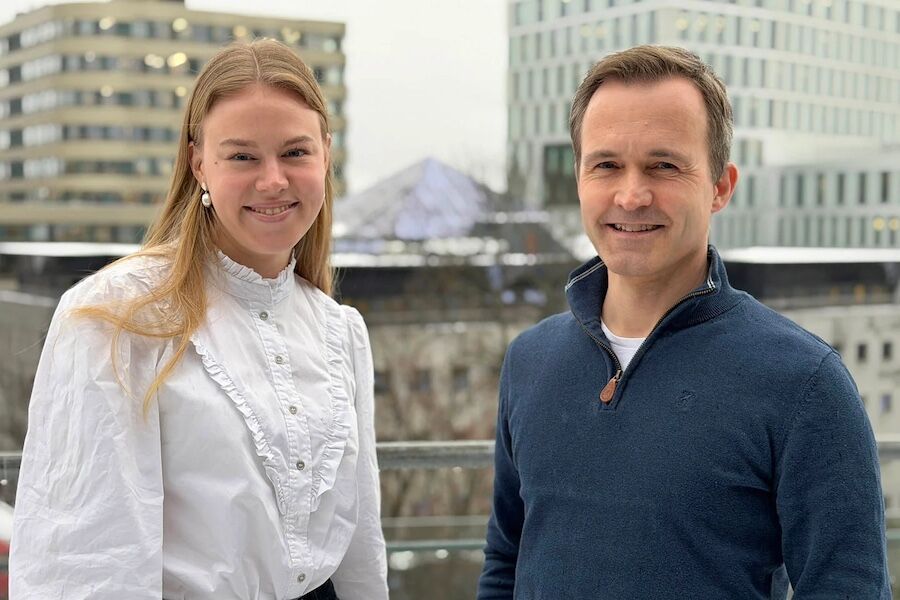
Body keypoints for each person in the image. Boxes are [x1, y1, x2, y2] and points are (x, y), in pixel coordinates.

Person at [478, 45, 889, 599]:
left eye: (663, 166)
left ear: (721, 186)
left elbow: (846, 588)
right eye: (606, 165)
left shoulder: (803, 382)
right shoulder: (530, 359)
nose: (631, 194)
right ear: (578, 180)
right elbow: (507, 559)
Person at [10, 39, 388, 600]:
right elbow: (85, 561)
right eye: (242, 156)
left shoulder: (339, 331)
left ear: (326, 155)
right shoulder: (117, 316)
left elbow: (360, 553)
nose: (273, 180)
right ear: (198, 162)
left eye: (295, 153)